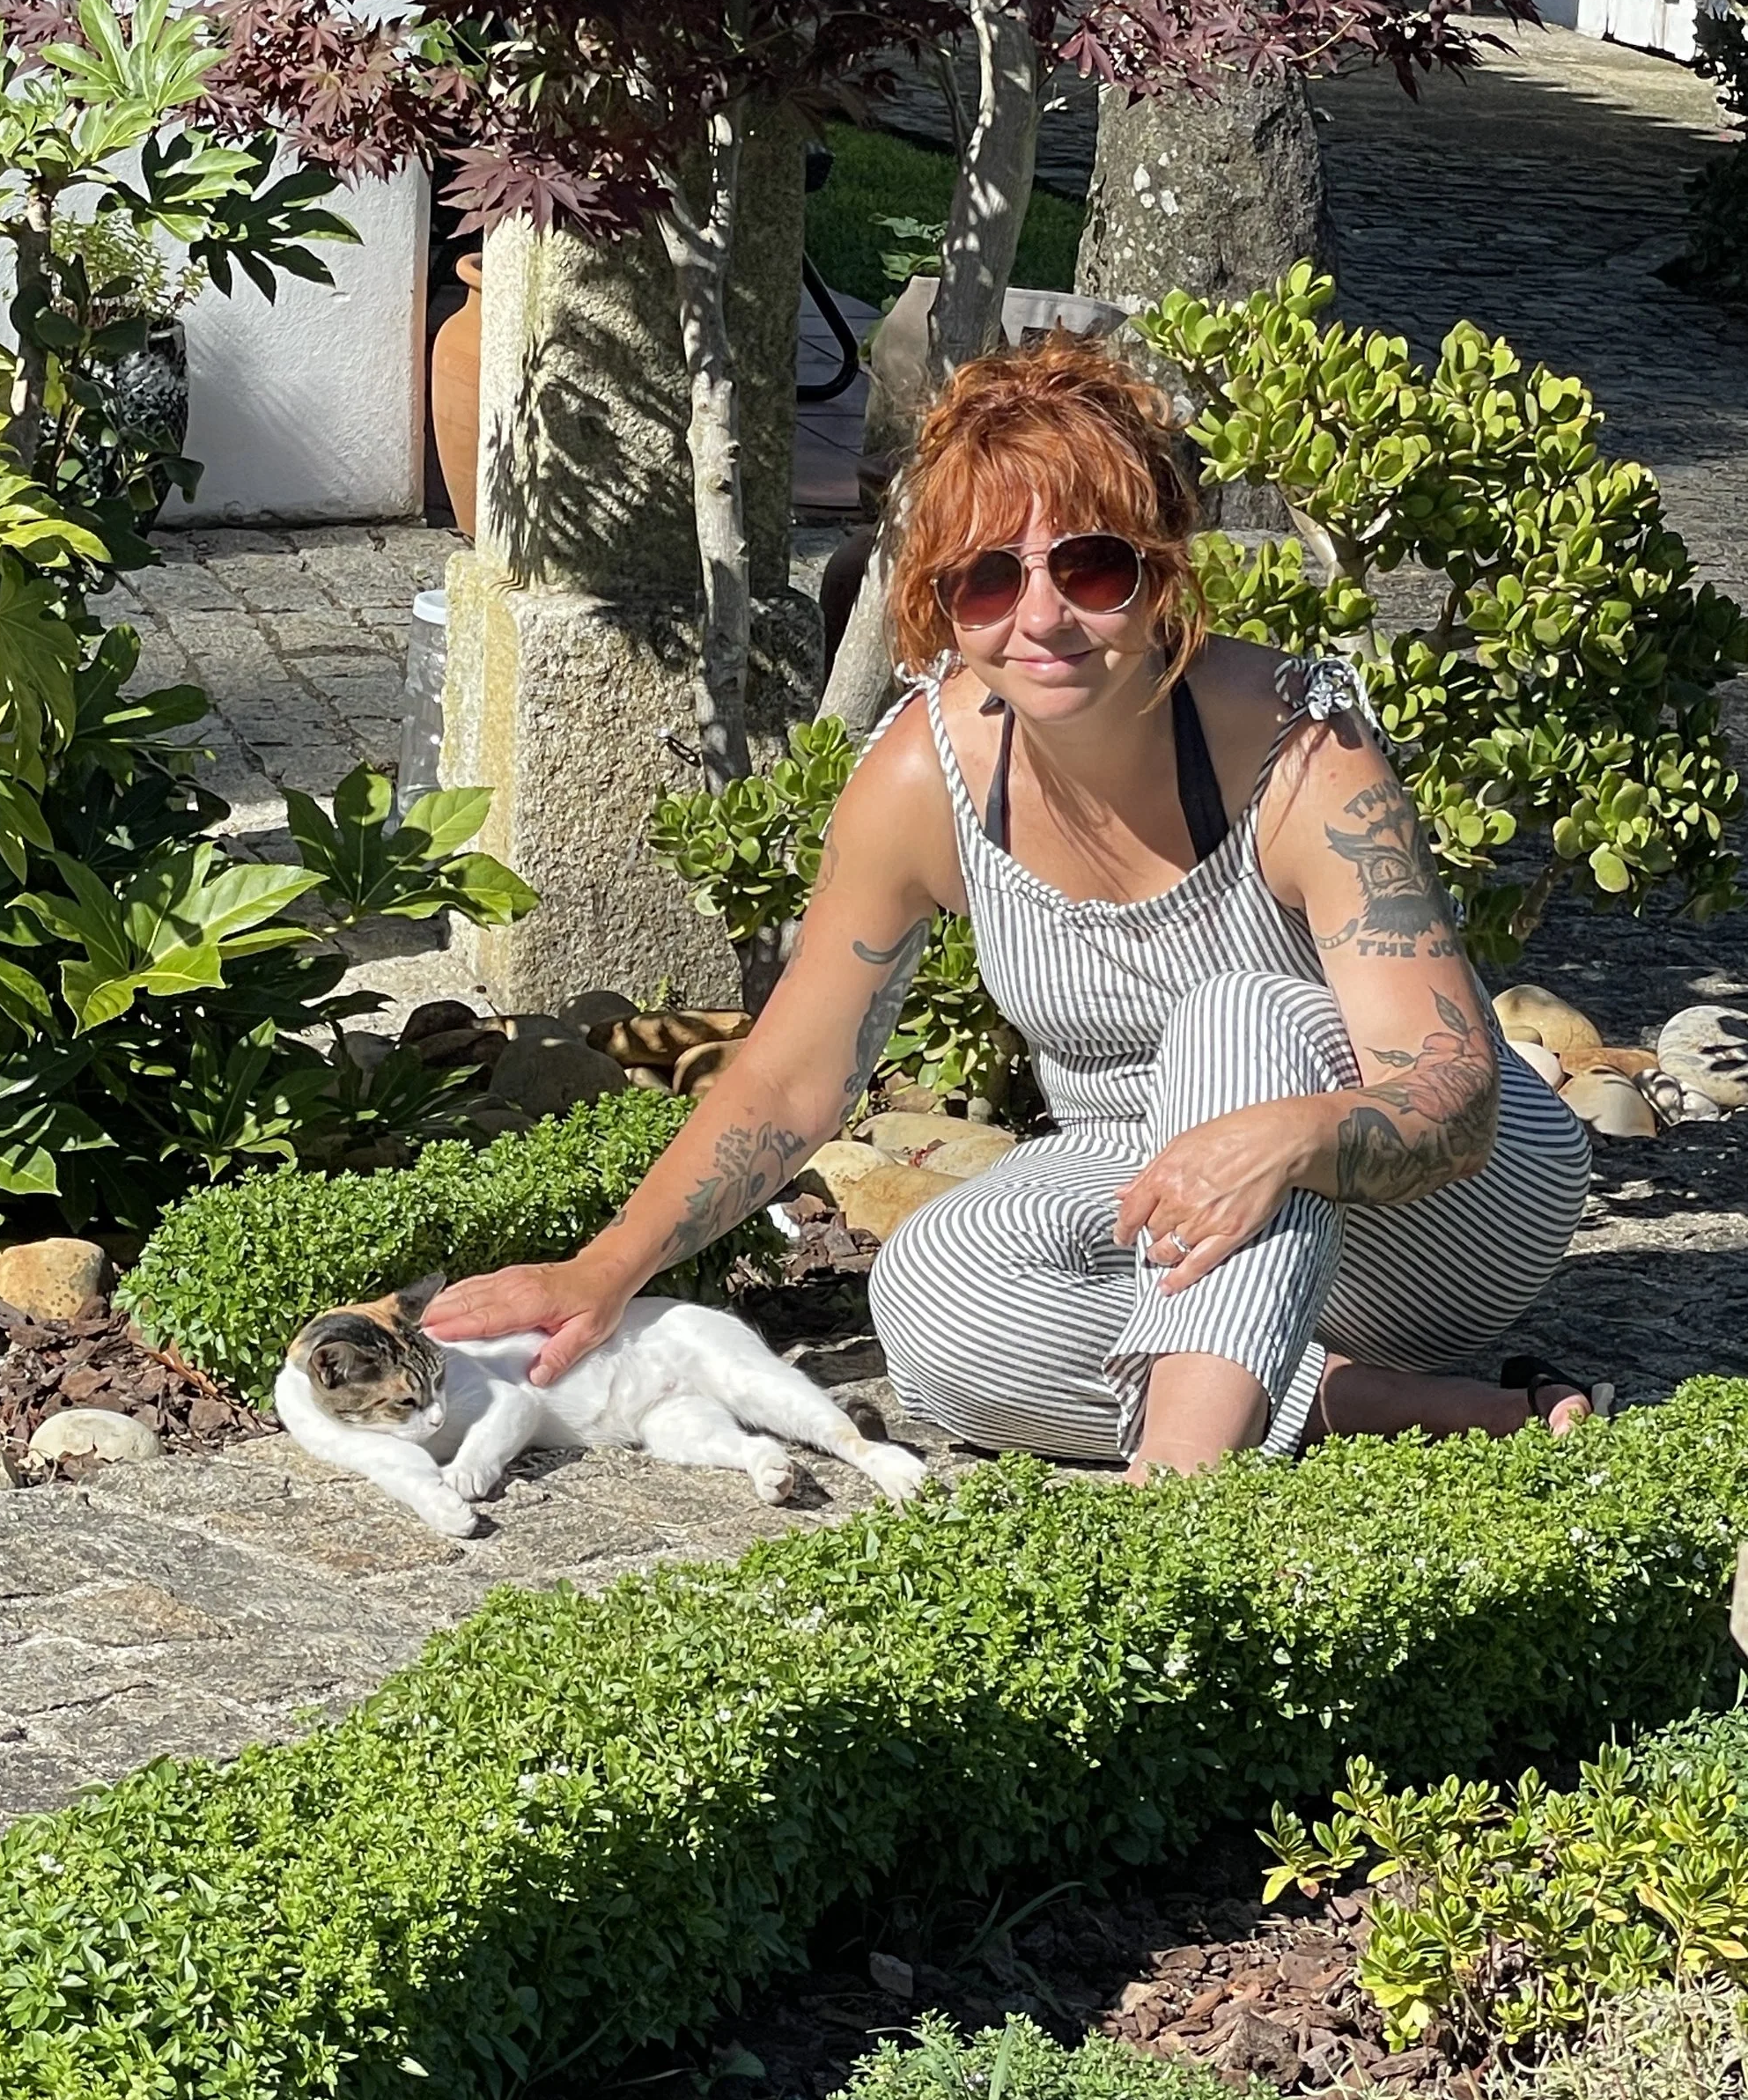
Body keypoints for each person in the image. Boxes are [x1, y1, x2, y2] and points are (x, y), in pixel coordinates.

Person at [426, 335, 1595, 1480]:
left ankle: (1174, 1515)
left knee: (1240, 1019)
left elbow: (1453, 1098)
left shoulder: (1300, 750)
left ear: (1160, 571)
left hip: (1442, 1217)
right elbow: (796, 1074)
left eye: (1087, 567)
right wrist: (602, 1271)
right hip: (1164, 1193)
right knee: (932, 1293)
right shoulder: (922, 778)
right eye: (987, 578)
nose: (1038, 618)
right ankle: (1366, 1406)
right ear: (939, 603)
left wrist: (1292, 1134)